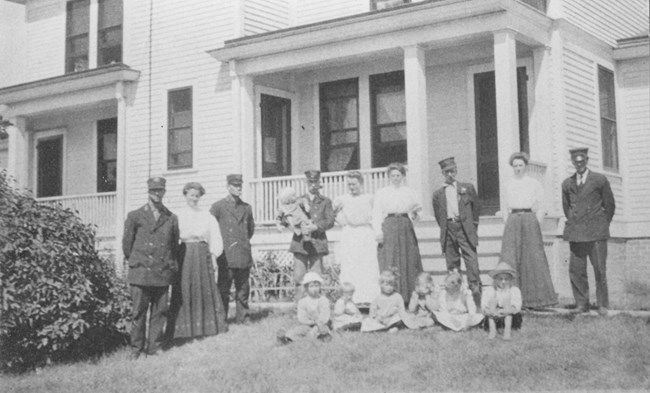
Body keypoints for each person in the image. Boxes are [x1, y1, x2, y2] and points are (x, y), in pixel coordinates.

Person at [122, 177, 180, 358]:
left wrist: (169, 266)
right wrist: (136, 262)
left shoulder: (171, 218)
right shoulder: (135, 216)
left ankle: (154, 347)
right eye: (154, 190)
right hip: (141, 272)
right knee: (138, 312)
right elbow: (127, 245)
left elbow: (174, 245)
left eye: (160, 190)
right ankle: (136, 349)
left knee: (159, 311)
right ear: (148, 191)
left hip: (162, 271)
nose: (157, 193)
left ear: (164, 192)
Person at [561, 147, 615, 316]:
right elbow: (566, 207)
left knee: (599, 269)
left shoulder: (599, 180)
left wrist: (601, 224)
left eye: (582, 161)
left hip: (596, 233)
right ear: (572, 163)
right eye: (576, 162)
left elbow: (610, 205)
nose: (579, 164)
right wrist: (574, 222)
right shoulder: (567, 183)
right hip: (576, 233)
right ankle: (582, 304)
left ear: (587, 160)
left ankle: (602, 305)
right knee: (576, 270)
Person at [501, 152, 557, 309]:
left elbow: (541, 205)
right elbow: (504, 206)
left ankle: (536, 300)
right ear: (512, 167)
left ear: (525, 166)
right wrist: (508, 222)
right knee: (511, 257)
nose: (518, 168)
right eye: (515, 166)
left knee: (532, 257)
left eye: (520, 165)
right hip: (513, 220)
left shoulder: (534, 183)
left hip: (529, 219)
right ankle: (511, 299)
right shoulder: (508, 184)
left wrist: (535, 222)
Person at [172, 182, 228, 340]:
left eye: (197, 196)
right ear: (185, 195)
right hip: (185, 253)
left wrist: (213, 255)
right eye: (191, 195)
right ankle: (183, 330)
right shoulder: (178, 215)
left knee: (203, 287)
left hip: (202, 254)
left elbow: (215, 236)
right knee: (185, 287)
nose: (194, 199)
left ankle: (207, 327)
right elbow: (173, 237)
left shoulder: (207, 216)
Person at [432, 156, 482, 308]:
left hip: (465, 229)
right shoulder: (438, 194)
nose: (449, 174)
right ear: (442, 173)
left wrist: (472, 227)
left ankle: (476, 300)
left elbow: (476, 209)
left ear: (456, 170)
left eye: (452, 171)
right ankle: (457, 301)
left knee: (472, 263)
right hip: (449, 229)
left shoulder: (467, 188)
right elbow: (437, 215)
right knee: (452, 264)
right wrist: (446, 227)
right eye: (446, 172)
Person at [280, 170, 336, 301]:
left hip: (317, 241)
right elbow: (284, 217)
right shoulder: (296, 200)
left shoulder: (325, 201)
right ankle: (300, 307)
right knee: (299, 277)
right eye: (310, 182)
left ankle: (317, 307)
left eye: (315, 181)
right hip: (300, 243)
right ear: (306, 182)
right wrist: (293, 227)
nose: (313, 185)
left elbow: (330, 221)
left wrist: (315, 227)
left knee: (316, 278)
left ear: (319, 182)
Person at [372, 163, 423, 303]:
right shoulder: (382, 192)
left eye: (398, 175)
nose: (395, 178)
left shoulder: (409, 192)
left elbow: (416, 215)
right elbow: (376, 213)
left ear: (403, 176)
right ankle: (391, 297)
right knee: (391, 259)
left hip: (405, 225)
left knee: (408, 259)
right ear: (389, 177)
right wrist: (378, 232)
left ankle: (409, 297)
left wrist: (415, 214)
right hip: (389, 226)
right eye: (393, 175)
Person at [210, 174, 255, 324]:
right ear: (228, 187)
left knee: (243, 289)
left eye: (240, 185)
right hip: (226, 255)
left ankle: (243, 317)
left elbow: (250, 230)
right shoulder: (218, 207)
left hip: (242, 253)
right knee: (224, 288)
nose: (238, 188)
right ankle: (221, 319)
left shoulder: (246, 208)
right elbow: (212, 230)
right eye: (235, 185)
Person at [333, 171, 380, 305]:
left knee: (367, 265)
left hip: (365, 233)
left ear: (361, 183)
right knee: (350, 265)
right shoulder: (342, 199)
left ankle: (369, 298)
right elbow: (335, 216)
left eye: (354, 184)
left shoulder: (369, 198)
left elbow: (377, 216)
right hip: (349, 234)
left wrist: (377, 232)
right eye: (349, 184)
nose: (352, 187)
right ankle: (350, 299)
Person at [276, 272, 332, 344]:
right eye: (311, 286)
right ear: (306, 288)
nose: (314, 288)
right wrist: (310, 322)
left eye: (317, 286)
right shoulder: (303, 302)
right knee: (297, 330)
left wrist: (318, 322)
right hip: (307, 325)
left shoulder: (323, 300)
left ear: (320, 286)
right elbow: (301, 317)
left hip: (321, 324)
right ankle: (285, 338)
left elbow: (325, 316)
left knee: (320, 330)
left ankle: (321, 337)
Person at [481, 262, 523, 340]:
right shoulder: (489, 290)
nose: (503, 282)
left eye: (506, 279)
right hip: (493, 315)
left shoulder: (514, 290)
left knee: (507, 301)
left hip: (511, 316)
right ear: (495, 279)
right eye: (500, 279)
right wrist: (492, 311)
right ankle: (492, 331)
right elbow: (484, 306)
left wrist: (505, 311)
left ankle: (507, 332)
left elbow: (517, 307)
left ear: (510, 280)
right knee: (493, 301)